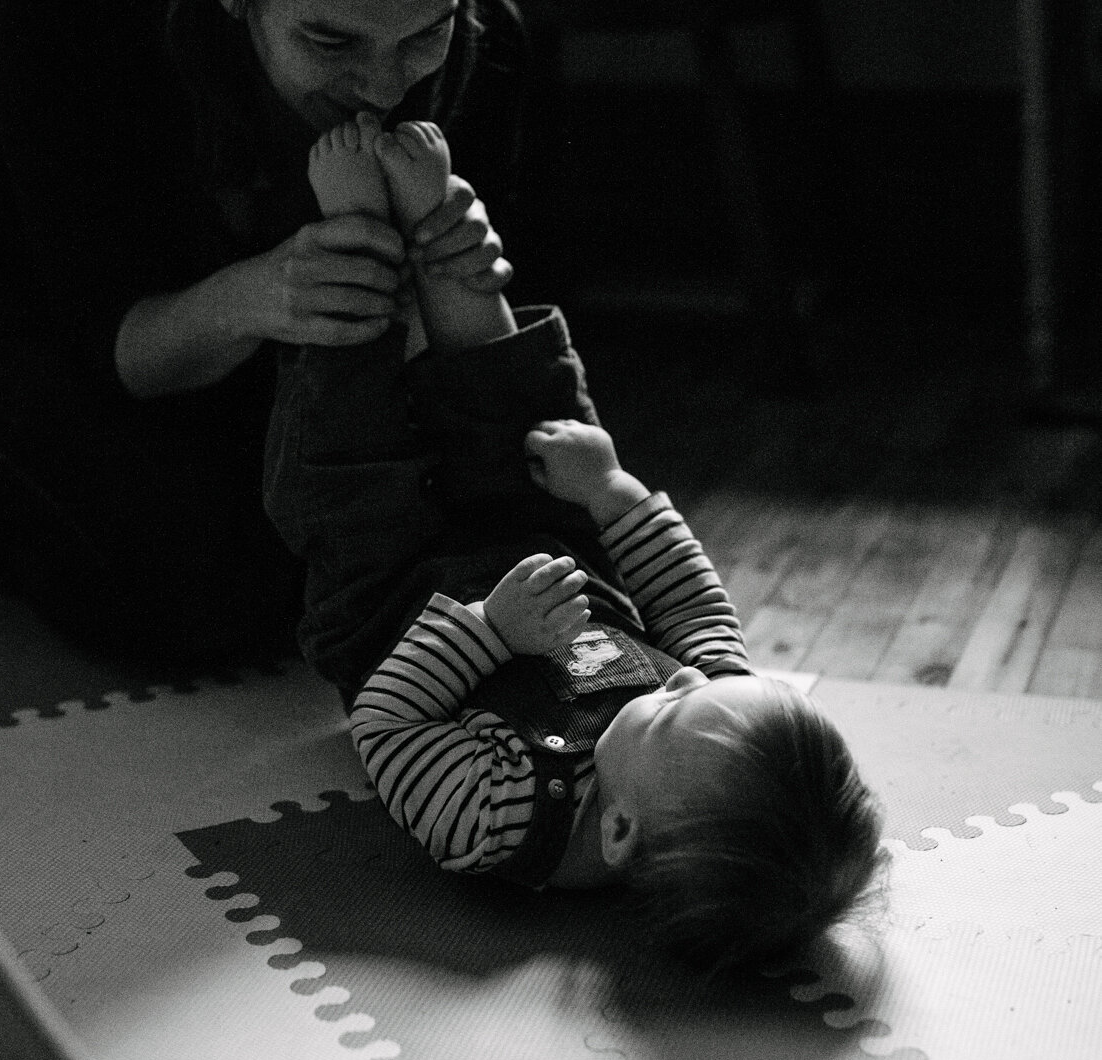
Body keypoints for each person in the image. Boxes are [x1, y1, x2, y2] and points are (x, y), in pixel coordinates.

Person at [0, 0, 524, 664]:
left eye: (418, 39)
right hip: (33, 318)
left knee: (482, 535)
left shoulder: (474, 30)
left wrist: (455, 281)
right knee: (202, 594)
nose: (382, 87)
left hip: (258, 359)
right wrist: (267, 293)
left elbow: (484, 392)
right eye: (331, 41)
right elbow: (121, 348)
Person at [264, 117, 884, 975]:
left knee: (348, 447)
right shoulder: (711, 709)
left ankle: (355, 240)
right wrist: (613, 490)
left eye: (673, 701)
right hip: (541, 542)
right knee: (529, 417)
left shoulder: (497, 819)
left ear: (621, 829)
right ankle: (447, 242)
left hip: (390, 596)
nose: (689, 673)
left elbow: (385, 723)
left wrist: (490, 630)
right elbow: (690, 603)